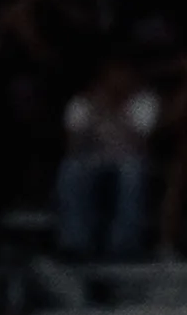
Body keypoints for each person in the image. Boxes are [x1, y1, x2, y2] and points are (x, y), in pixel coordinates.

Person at [56, 58, 159, 260]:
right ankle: (76, 242)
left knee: (133, 172)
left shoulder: (144, 102)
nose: (118, 80)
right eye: (113, 74)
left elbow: (141, 146)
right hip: (93, 160)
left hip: (128, 160)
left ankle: (123, 245)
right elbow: (72, 148)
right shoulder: (81, 103)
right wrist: (97, 111)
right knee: (70, 169)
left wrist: (118, 113)